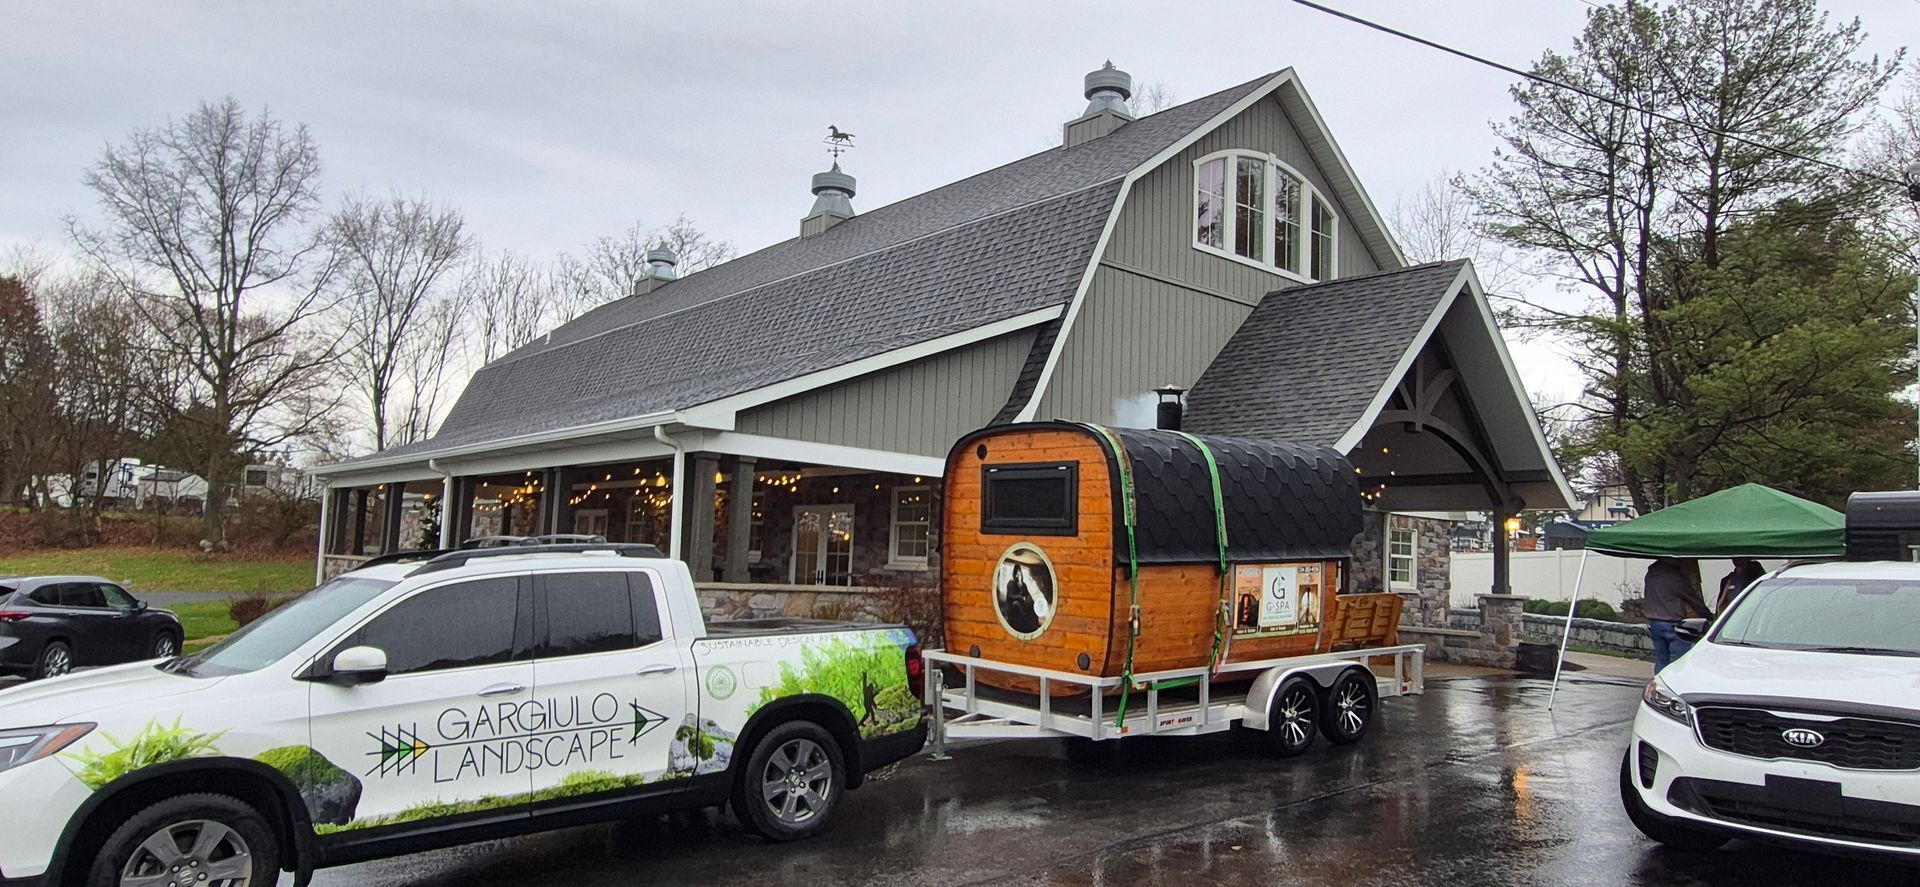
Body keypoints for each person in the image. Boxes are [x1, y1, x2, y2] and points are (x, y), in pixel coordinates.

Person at [1644, 556, 1710, 673]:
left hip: (1653, 621)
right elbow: (1692, 598)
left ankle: (1660, 684)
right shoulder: (1674, 578)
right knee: (1680, 660)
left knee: (1661, 660)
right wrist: (1708, 615)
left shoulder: (1650, 575)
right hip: (1672, 622)